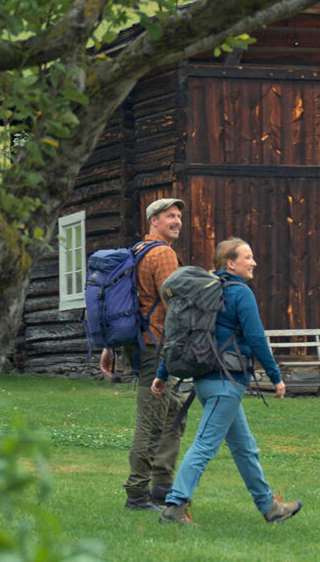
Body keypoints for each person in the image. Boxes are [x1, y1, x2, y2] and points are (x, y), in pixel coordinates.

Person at [152, 238, 302, 526]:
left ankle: (270, 507)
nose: (253, 262)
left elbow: (180, 336)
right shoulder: (239, 293)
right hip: (226, 385)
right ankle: (174, 507)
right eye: (248, 257)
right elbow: (257, 337)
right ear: (230, 263)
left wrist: (162, 374)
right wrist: (275, 377)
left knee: (245, 448)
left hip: (208, 384)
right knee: (204, 446)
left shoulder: (203, 293)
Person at [101, 197, 189, 511]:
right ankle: (137, 494)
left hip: (140, 343)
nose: (177, 221)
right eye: (170, 216)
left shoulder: (136, 251)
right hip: (158, 345)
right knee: (151, 421)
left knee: (173, 411)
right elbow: (174, 304)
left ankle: (162, 487)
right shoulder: (163, 253)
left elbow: (125, 303)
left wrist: (108, 346)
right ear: (154, 220)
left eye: (178, 216)